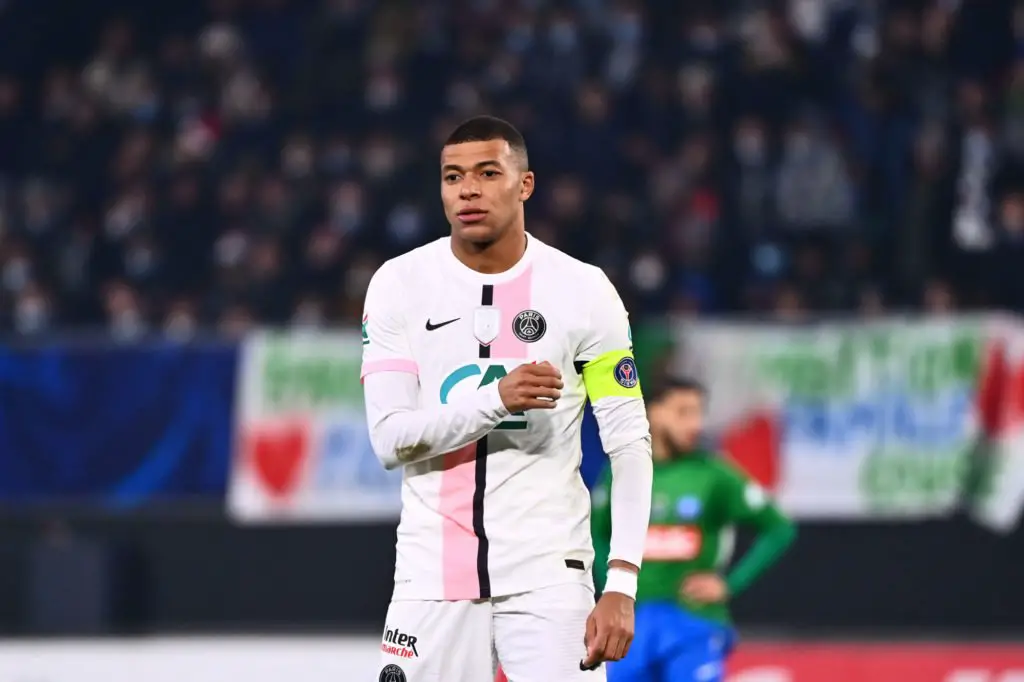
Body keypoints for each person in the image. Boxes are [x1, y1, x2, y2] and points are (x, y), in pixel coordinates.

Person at [361, 115, 654, 681]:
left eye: (487, 173)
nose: (467, 190)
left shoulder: (584, 290)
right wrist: (497, 398)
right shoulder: (398, 284)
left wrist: (621, 581)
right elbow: (390, 439)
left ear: (525, 184)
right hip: (431, 578)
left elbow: (629, 443)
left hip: (551, 578)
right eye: (452, 177)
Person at [591, 378, 797, 682]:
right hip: (632, 622)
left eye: (699, 413)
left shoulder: (714, 474)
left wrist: (730, 584)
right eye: (683, 413)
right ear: (653, 413)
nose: (695, 424)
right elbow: (597, 535)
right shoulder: (620, 472)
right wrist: (609, 590)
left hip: (692, 619)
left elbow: (778, 529)